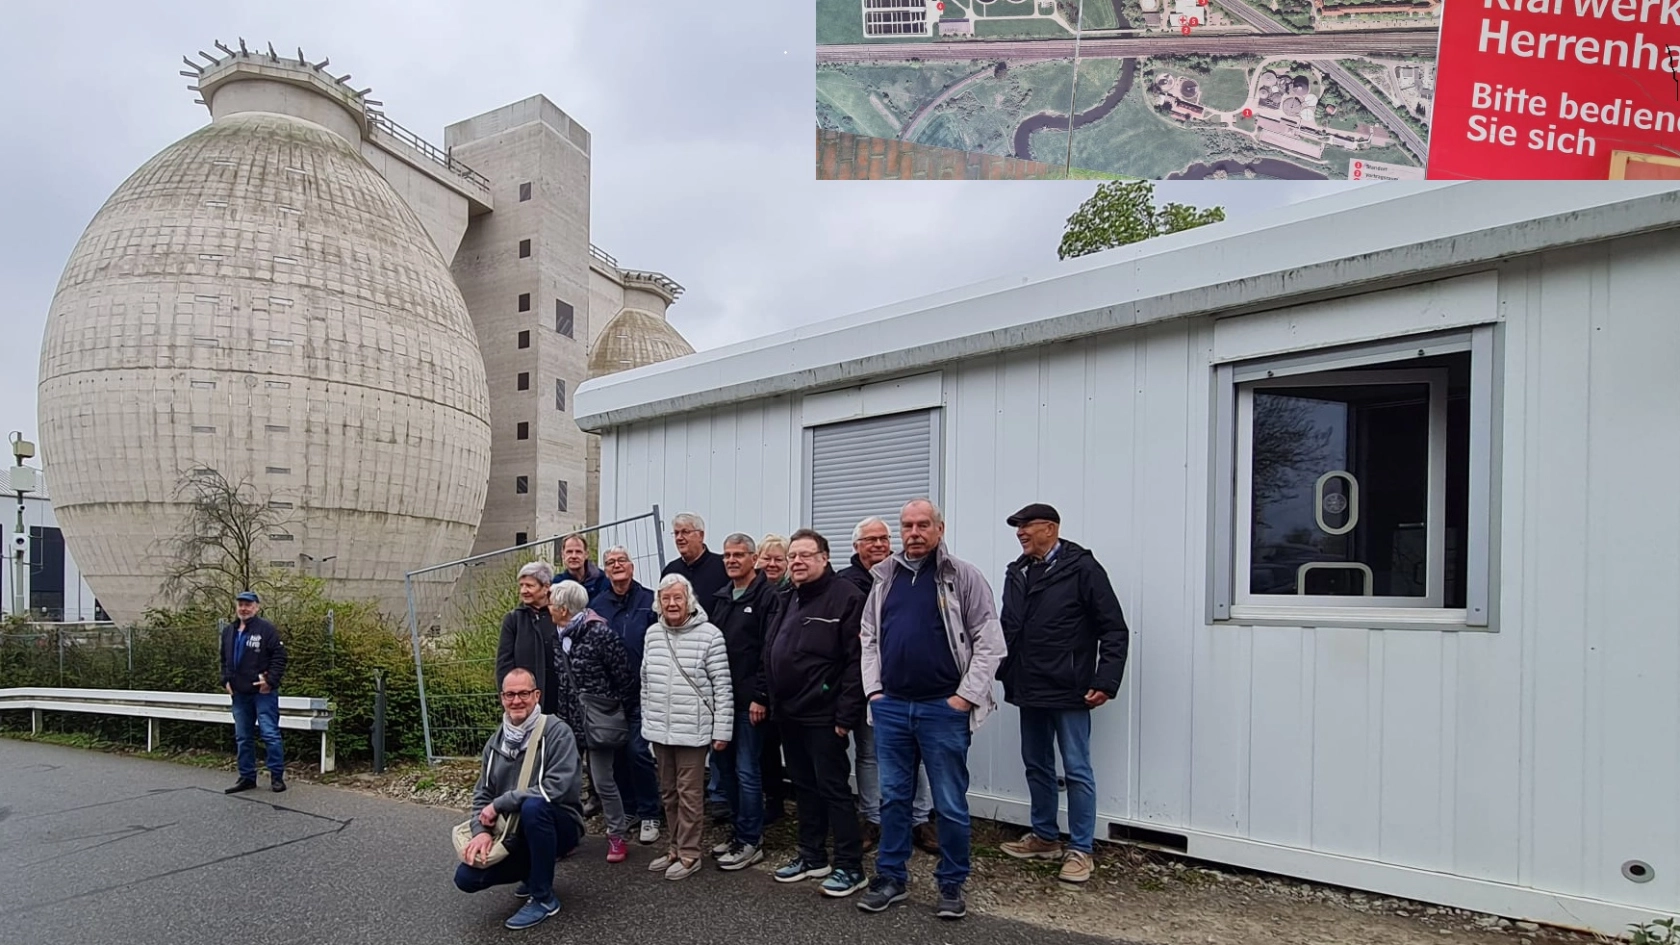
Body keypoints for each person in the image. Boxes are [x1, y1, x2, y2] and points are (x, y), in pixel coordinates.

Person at [856, 498, 1007, 921]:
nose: (915, 533)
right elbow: (868, 636)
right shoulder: (884, 578)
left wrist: (965, 698)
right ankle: (891, 878)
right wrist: (874, 692)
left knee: (950, 802)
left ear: (939, 529)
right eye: (908, 526)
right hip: (892, 709)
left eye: (924, 525)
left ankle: (952, 882)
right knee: (894, 799)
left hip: (943, 710)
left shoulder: (963, 576)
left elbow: (990, 642)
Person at [996, 503, 1129, 884]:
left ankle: (1081, 849)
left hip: (1070, 688)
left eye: (1026, 526)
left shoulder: (1082, 568)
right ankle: (1044, 837)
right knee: (1036, 765)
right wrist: (1001, 668)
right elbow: (1009, 628)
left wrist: (1106, 680)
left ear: (1050, 529)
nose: (1020, 533)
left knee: (1076, 769)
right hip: (1027, 685)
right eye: (1017, 527)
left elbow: (1113, 628)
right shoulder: (1017, 571)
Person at [762, 529, 870, 898]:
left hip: (825, 716)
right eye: (793, 556)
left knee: (834, 789)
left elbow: (857, 664)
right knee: (804, 788)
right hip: (789, 713)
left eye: (806, 555)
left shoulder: (847, 598)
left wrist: (845, 715)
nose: (797, 562)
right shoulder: (786, 596)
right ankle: (812, 856)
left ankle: (850, 866)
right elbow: (773, 649)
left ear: (824, 558)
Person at [454, 668, 585, 931]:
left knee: (534, 807)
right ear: (502, 698)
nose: (517, 700)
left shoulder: (557, 732)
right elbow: (483, 793)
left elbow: (556, 788)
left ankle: (543, 897)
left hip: (559, 825)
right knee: (466, 879)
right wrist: (480, 831)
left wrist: (501, 803)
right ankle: (533, 871)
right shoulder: (495, 742)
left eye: (524, 693)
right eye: (510, 694)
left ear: (536, 695)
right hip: (514, 833)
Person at [836, 516, 937, 855]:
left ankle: (920, 819)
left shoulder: (903, 574)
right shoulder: (844, 584)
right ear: (856, 546)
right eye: (870, 540)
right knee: (868, 754)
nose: (879, 545)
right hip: (866, 683)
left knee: (915, 755)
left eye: (883, 539)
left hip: (908, 682)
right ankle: (872, 818)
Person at [638, 574, 733, 880]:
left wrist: (722, 730)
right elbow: (645, 682)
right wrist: (647, 721)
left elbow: (723, 687)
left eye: (678, 597)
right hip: (660, 729)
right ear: (659, 603)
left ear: (689, 600)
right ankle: (674, 847)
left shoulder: (710, 635)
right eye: (666, 598)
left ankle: (691, 853)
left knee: (689, 794)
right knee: (668, 792)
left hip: (693, 730)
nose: (672, 603)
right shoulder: (652, 634)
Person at [546, 580, 637, 865]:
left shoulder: (600, 633)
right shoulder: (558, 636)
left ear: (563, 608)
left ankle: (617, 834)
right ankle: (569, 837)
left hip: (598, 719)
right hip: (569, 720)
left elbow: (623, 675)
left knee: (602, 779)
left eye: (551, 603)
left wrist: (613, 707)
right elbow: (562, 681)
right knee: (568, 782)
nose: (547, 607)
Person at [588, 546, 664, 845]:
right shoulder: (598, 605)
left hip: (644, 692)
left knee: (638, 751)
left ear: (632, 567)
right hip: (609, 696)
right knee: (617, 754)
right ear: (606, 571)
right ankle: (629, 808)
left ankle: (650, 812)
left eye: (621, 561)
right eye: (610, 563)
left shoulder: (649, 600)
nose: (616, 566)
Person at [707, 532, 773, 870]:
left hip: (750, 704)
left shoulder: (765, 597)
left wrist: (761, 695)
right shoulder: (722, 598)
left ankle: (751, 839)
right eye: (727, 555)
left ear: (753, 559)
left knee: (748, 771)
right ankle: (737, 832)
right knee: (725, 769)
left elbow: (768, 651)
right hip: (721, 702)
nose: (732, 560)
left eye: (739, 555)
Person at [220, 590, 289, 793]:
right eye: (241, 604)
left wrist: (270, 680)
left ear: (256, 607)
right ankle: (247, 777)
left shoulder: (265, 629)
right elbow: (223, 659)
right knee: (243, 736)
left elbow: (279, 657)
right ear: (236, 607)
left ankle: (277, 777)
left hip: (263, 693)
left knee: (270, 734)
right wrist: (225, 680)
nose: (244, 608)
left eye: (248, 604)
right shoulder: (228, 631)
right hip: (239, 693)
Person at [496, 561, 558, 714]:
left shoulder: (559, 615)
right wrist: (509, 698)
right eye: (521, 585)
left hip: (558, 698)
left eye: (529, 586)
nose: (524, 591)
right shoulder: (513, 620)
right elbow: (504, 663)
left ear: (546, 587)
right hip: (526, 702)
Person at [662, 512, 729, 606]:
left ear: (700, 535)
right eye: (676, 533)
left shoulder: (722, 566)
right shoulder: (670, 571)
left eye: (685, 532)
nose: (679, 538)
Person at [559, 533, 610, 600]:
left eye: (578, 552)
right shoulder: (558, 583)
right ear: (563, 555)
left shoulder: (602, 580)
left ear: (586, 554)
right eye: (569, 552)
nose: (574, 556)